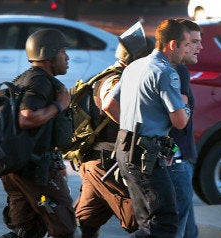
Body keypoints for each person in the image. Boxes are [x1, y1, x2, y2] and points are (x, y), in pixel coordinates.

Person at [107, 19, 191, 237]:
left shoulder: (134, 66)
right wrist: (186, 106)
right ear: (173, 45)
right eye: (186, 45)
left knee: (146, 220)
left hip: (126, 151)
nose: (187, 51)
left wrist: (130, 130)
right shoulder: (166, 72)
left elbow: (108, 105)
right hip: (146, 158)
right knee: (164, 222)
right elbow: (180, 122)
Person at [73, 22, 154, 237]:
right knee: (143, 219)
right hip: (107, 163)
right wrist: (137, 132)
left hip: (97, 163)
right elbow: (110, 104)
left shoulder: (111, 76)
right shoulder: (115, 79)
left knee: (88, 221)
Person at [0, 28, 76, 238]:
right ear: (49, 54)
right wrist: (59, 106)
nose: (67, 57)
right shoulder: (40, 81)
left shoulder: (23, 79)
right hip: (35, 169)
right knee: (64, 227)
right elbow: (26, 117)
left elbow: (44, 131)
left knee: (27, 230)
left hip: (19, 165)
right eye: (63, 52)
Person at [166, 18, 202, 238]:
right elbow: (178, 121)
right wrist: (170, 150)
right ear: (180, 43)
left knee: (188, 232)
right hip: (175, 162)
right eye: (194, 42)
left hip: (177, 161)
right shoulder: (178, 71)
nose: (200, 47)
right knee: (176, 231)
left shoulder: (156, 68)